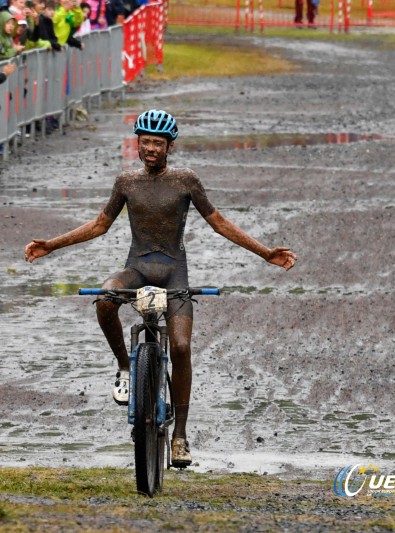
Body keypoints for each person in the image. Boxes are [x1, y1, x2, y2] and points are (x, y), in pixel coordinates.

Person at [24, 109, 297, 467]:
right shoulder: (126, 182)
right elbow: (98, 226)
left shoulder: (186, 181)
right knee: (106, 297)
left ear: (170, 146)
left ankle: (180, 436)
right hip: (137, 268)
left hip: (174, 274)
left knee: (181, 346)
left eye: (158, 143)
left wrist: (265, 253)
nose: (150, 148)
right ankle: (125, 368)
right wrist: (51, 245)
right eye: (145, 141)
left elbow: (219, 223)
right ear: (137, 143)